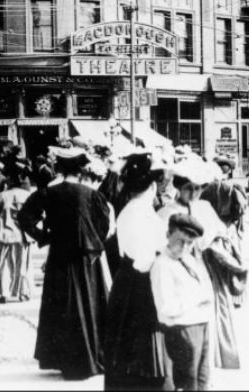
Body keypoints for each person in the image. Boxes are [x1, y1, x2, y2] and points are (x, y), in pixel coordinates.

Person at [18, 147, 112, 381]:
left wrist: (44, 237)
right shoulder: (91, 194)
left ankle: (61, 358)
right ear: (80, 171)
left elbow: (24, 217)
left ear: (59, 169)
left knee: (62, 305)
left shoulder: (48, 193)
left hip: (59, 256)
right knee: (89, 305)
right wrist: (94, 243)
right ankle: (91, 357)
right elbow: (104, 225)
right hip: (86, 259)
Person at [160, 159, 242, 372]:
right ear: (179, 186)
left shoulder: (204, 207)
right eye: (189, 188)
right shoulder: (167, 212)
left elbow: (220, 234)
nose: (194, 193)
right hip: (179, 269)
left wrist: (220, 245)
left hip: (206, 267)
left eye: (198, 188)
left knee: (211, 311)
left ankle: (210, 358)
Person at [102, 151, 171, 391]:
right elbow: (143, 259)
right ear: (152, 186)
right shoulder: (140, 213)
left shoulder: (132, 209)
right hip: (141, 287)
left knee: (128, 356)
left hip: (130, 285)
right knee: (142, 360)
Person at [150, 213, 215, 392]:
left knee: (202, 380)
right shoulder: (162, 265)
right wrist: (198, 299)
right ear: (168, 235)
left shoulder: (188, 259)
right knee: (188, 383)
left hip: (200, 326)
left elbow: (204, 288)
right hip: (182, 331)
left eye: (190, 243)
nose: (184, 247)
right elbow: (166, 306)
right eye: (180, 240)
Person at [0, 168, 33, 304]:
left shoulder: (0, 196)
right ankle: (22, 292)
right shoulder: (27, 196)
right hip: (23, 235)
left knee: (2, 265)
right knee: (23, 264)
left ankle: (4, 294)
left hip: (2, 234)